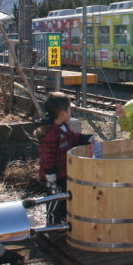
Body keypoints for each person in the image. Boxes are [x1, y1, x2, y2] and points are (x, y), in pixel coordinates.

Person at [35, 92, 93, 225]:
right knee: (54, 198)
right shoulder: (50, 133)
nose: (70, 112)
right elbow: (46, 156)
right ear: (62, 113)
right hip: (54, 174)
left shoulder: (64, 127)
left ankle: (62, 219)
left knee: (64, 198)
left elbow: (73, 137)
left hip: (63, 171)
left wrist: (86, 138)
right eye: (69, 109)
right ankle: (52, 222)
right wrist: (50, 175)